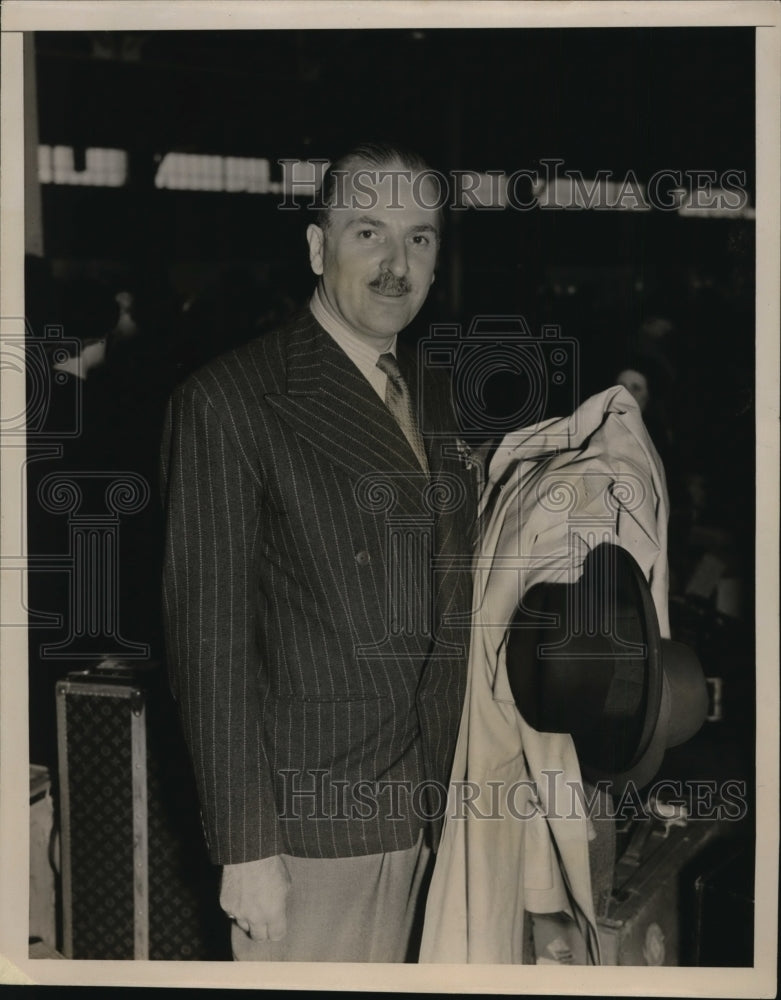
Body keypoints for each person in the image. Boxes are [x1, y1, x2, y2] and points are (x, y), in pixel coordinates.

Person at [160, 142, 477, 962]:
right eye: (367, 232)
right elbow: (210, 645)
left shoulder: (433, 394)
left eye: (419, 238)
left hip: (440, 803)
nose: (395, 264)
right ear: (315, 247)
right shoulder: (230, 401)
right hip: (312, 828)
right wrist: (245, 847)